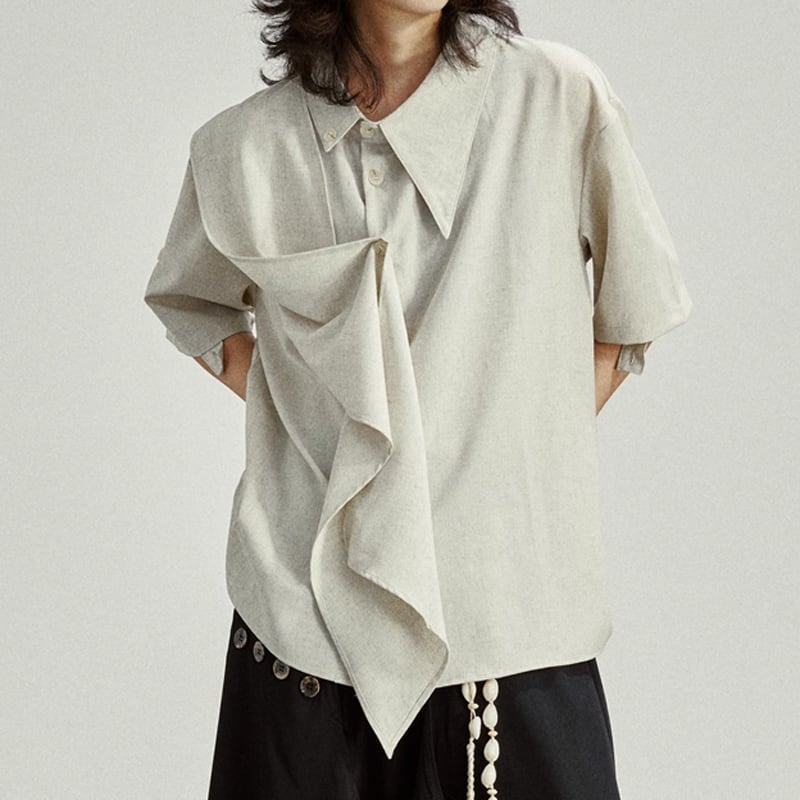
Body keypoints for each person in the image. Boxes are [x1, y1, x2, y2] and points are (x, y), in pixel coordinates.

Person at [143, 1, 693, 797]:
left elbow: (630, 311)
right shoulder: (244, 146)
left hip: (512, 631)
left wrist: (515, 442)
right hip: (301, 636)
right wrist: (314, 418)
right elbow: (193, 302)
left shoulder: (558, 98)